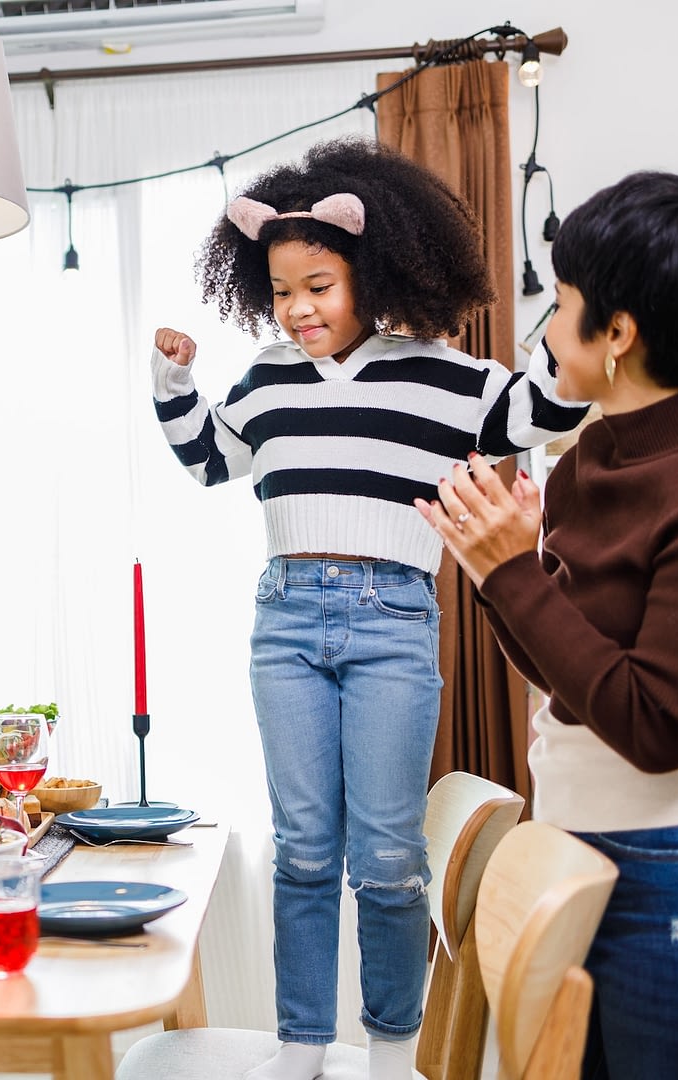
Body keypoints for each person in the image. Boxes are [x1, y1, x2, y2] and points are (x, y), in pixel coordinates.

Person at [150, 136, 590, 1080]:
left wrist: (565, 318)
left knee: (388, 855)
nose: (298, 309)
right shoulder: (266, 377)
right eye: (280, 290)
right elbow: (206, 462)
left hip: (395, 617)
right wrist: (175, 383)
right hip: (286, 618)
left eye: (318, 285)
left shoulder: (440, 372)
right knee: (305, 849)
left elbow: (543, 414)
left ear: (374, 271)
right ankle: (302, 1042)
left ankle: (393, 1046)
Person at [416, 171, 678, 1078]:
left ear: (618, 333)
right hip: (579, 858)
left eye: (560, 305)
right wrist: (491, 566)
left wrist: (513, 572)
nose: (546, 331)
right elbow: (568, 680)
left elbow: (659, 727)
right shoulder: (584, 460)